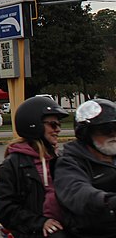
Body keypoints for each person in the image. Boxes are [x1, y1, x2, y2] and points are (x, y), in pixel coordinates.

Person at [0, 96, 69, 237]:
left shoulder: (60, 158)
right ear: (34, 124)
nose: (57, 130)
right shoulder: (14, 164)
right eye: (52, 125)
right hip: (33, 232)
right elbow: (4, 206)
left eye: (59, 125)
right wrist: (40, 222)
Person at [54, 98, 116, 237]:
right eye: (106, 130)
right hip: (92, 231)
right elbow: (75, 190)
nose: (113, 134)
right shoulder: (70, 162)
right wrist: (106, 201)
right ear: (86, 133)